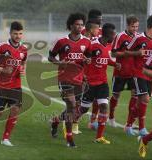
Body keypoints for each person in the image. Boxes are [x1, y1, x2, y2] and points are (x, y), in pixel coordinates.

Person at [49, 13, 91, 147]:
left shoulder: (86, 42)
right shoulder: (61, 41)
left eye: (81, 25)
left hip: (79, 79)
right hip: (64, 78)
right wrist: (60, 62)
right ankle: (69, 138)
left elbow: (87, 58)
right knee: (72, 105)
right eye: (77, 24)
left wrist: (87, 60)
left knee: (73, 108)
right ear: (71, 25)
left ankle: (55, 121)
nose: (79, 27)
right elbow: (51, 57)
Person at [75, 23, 120, 144]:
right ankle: (71, 122)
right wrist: (82, 75)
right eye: (113, 34)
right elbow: (82, 57)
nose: (114, 36)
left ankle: (99, 137)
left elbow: (105, 59)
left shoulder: (108, 46)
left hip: (102, 83)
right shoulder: (93, 45)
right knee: (83, 109)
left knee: (104, 107)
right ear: (108, 34)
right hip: (90, 83)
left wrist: (114, 64)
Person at [108, 16, 139, 135]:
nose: (135, 29)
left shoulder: (138, 37)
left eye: (136, 26)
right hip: (120, 73)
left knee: (135, 96)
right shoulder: (120, 36)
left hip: (133, 73)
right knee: (116, 96)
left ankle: (128, 123)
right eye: (133, 26)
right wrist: (126, 54)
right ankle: (111, 116)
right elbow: (113, 53)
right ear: (127, 25)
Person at [125, 15, 152, 137]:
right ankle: (140, 128)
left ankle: (130, 125)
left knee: (141, 102)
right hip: (138, 73)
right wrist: (137, 53)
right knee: (145, 98)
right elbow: (126, 52)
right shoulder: (138, 38)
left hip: (149, 74)